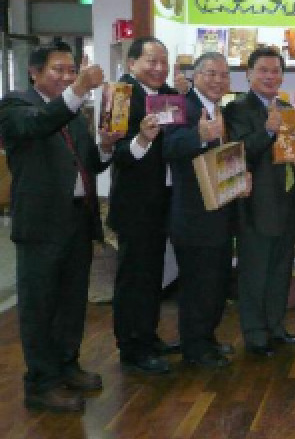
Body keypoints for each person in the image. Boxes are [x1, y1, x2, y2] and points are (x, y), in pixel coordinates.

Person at [0, 42, 120, 411]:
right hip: (40, 224)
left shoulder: (74, 113)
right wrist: (79, 88)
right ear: (34, 72)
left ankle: (68, 365)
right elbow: (39, 124)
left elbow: (89, 164)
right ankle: (41, 382)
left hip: (77, 219)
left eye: (72, 71)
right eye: (59, 70)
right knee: (40, 306)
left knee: (71, 301)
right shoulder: (15, 106)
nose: (67, 77)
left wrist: (106, 147)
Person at [225, 47, 295, 357]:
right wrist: (268, 131)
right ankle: (255, 334)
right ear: (248, 74)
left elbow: (292, 156)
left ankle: (275, 326)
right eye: (263, 71)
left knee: (281, 271)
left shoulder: (287, 109)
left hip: (287, 202)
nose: (270, 76)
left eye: (275, 71)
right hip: (255, 205)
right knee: (255, 273)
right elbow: (238, 152)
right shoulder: (236, 109)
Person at [162, 52, 240, 367]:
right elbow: (169, 147)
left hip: (221, 212)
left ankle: (207, 338)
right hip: (193, 216)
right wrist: (200, 134)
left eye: (224, 75)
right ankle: (195, 349)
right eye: (211, 73)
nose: (218, 80)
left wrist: (241, 176)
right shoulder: (179, 105)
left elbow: (224, 156)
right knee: (197, 286)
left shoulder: (222, 110)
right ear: (195, 76)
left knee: (216, 284)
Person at [109, 37, 177, 374]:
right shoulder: (121, 96)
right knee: (134, 277)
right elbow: (117, 154)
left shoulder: (169, 95)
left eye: (164, 61)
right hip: (135, 205)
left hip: (163, 199)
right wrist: (142, 139)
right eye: (151, 61)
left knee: (152, 275)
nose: (159, 68)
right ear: (132, 63)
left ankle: (147, 335)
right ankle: (131, 346)